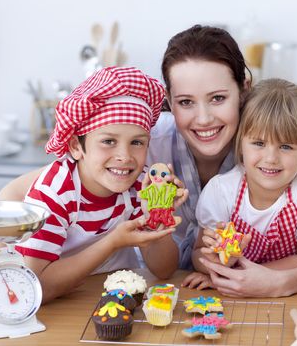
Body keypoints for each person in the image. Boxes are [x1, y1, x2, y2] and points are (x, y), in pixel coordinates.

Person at [0, 25, 297, 297]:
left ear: (243, 89)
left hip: (243, 298)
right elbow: (17, 193)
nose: (203, 119)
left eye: (218, 98)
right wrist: (9, 257)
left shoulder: (267, 147)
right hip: (169, 294)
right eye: (186, 102)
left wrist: (283, 280)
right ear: (170, 102)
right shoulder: (141, 144)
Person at [13, 66, 186, 303]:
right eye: (108, 141)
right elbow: (36, 287)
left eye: (137, 142)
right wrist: (113, 242)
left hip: (117, 299)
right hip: (61, 307)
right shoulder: (54, 193)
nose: (125, 156)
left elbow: (164, 270)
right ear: (76, 146)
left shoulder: (140, 186)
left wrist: (158, 215)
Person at [186, 78, 297, 296]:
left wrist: (252, 277)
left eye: (285, 146)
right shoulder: (221, 191)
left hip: (289, 300)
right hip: (233, 300)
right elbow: (198, 253)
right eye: (259, 143)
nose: (271, 158)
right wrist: (217, 264)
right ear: (241, 145)